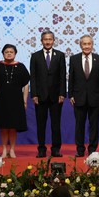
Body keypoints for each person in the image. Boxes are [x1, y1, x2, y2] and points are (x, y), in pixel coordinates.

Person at [0, 44, 30, 158]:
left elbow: (26, 84)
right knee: (3, 126)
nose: (9, 53)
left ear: (15, 53)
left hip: (16, 100)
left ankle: (12, 149)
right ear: (3, 53)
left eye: (11, 51)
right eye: (6, 52)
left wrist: (25, 100)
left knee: (13, 126)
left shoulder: (21, 66)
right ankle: (3, 149)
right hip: (1, 100)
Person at [30, 30, 67, 158]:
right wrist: (33, 94)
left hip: (56, 96)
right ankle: (41, 149)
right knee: (41, 125)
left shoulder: (60, 55)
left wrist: (62, 93)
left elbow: (63, 76)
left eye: (50, 39)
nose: (48, 41)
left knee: (56, 125)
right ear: (41, 41)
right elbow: (33, 77)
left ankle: (56, 149)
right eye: (45, 39)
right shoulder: (35, 56)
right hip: (40, 97)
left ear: (54, 40)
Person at [68, 35, 99, 157]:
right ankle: (80, 149)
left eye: (89, 44)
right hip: (78, 98)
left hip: (95, 98)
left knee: (94, 125)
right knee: (79, 125)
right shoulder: (74, 59)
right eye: (84, 44)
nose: (87, 46)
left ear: (92, 45)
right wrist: (71, 95)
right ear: (80, 45)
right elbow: (71, 78)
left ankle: (92, 149)